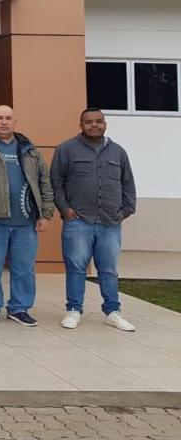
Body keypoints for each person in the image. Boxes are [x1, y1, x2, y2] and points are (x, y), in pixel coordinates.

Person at [0, 105, 55, 327]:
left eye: (8, 118)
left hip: (26, 221)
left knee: (24, 267)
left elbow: (45, 181)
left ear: (15, 122)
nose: (4, 122)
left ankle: (19, 308)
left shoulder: (29, 150)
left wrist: (45, 213)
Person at [52, 108, 137, 332]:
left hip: (110, 222)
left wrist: (126, 210)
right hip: (78, 221)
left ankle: (112, 311)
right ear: (81, 125)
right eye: (88, 122)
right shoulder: (66, 149)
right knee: (76, 267)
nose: (94, 125)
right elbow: (56, 182)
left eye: (99, 121)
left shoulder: (118, 152)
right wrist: (65, 209)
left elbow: (127, 182)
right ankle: (74, 310)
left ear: (105, 124)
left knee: (108, 269)